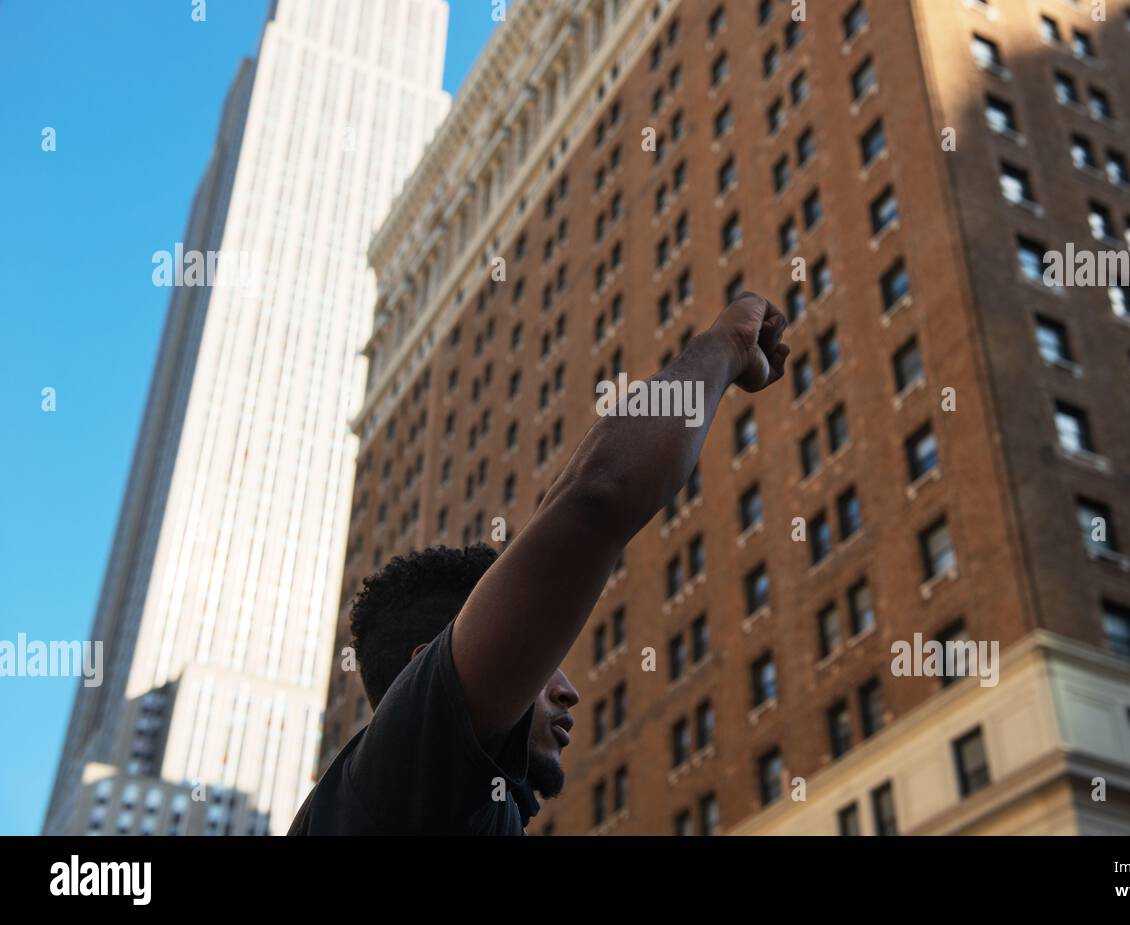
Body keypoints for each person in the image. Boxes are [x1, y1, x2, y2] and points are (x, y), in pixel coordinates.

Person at [288, 293, 789, 834]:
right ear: (431, 672)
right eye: (538, 662)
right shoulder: (403, 775)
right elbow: (597, 495)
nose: (569, 690)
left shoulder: (465, 807)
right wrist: (727, 346)